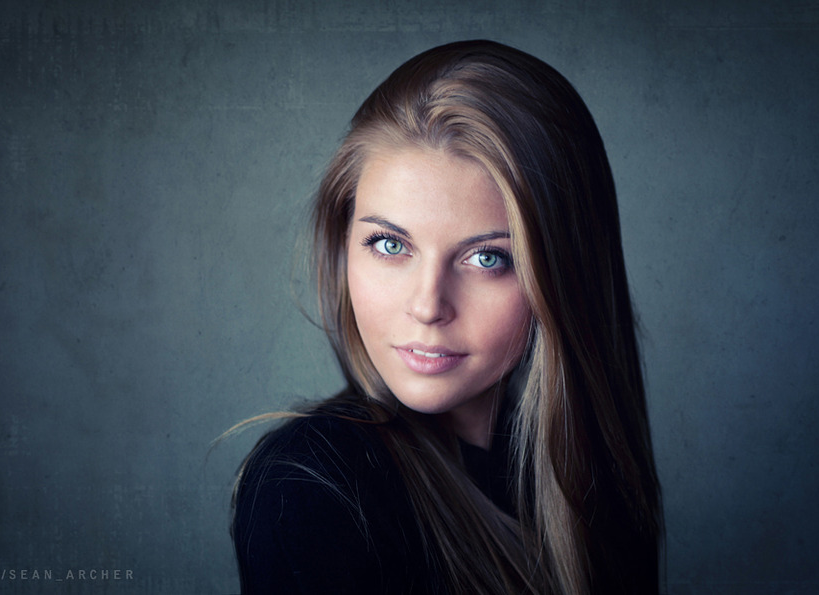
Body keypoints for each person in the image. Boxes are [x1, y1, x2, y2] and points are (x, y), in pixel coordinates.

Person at [230, 39, 662, 594]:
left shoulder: (592, 480)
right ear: (343, 243)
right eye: (389, 245)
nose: (428, 306)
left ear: (564, 275)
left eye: (488, 258)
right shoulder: (312, 488)